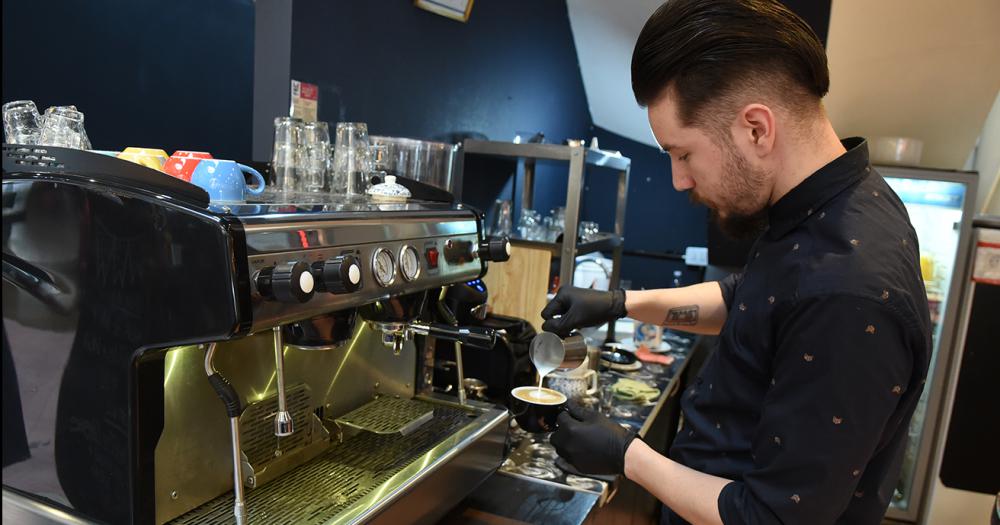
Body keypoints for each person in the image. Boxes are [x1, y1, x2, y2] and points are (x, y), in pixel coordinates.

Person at [543, 1, 931, 524]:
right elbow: (747, 298)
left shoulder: (848, 289)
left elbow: (770, 518)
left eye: (682, 154)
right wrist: (620, 304)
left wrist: (626, 456)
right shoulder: (830, 202)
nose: (680, 180)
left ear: (756, 129)